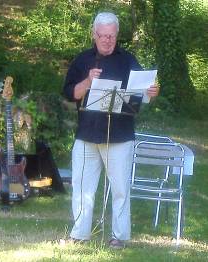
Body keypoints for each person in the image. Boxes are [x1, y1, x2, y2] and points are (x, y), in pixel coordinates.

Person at [62, 12, 159, 249]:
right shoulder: (82, 59)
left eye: (112, 36)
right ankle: (80, 233)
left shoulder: (127, 60)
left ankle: (119, 235)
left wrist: (150, 94)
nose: (107, 40)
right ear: (94, 35)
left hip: (120, 136)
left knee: (120, 189)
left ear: (117, 36)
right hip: (86, 134)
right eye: (103, 36)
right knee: (82, 186)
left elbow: (141, 96)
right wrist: (87, 81)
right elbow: (69, 94)